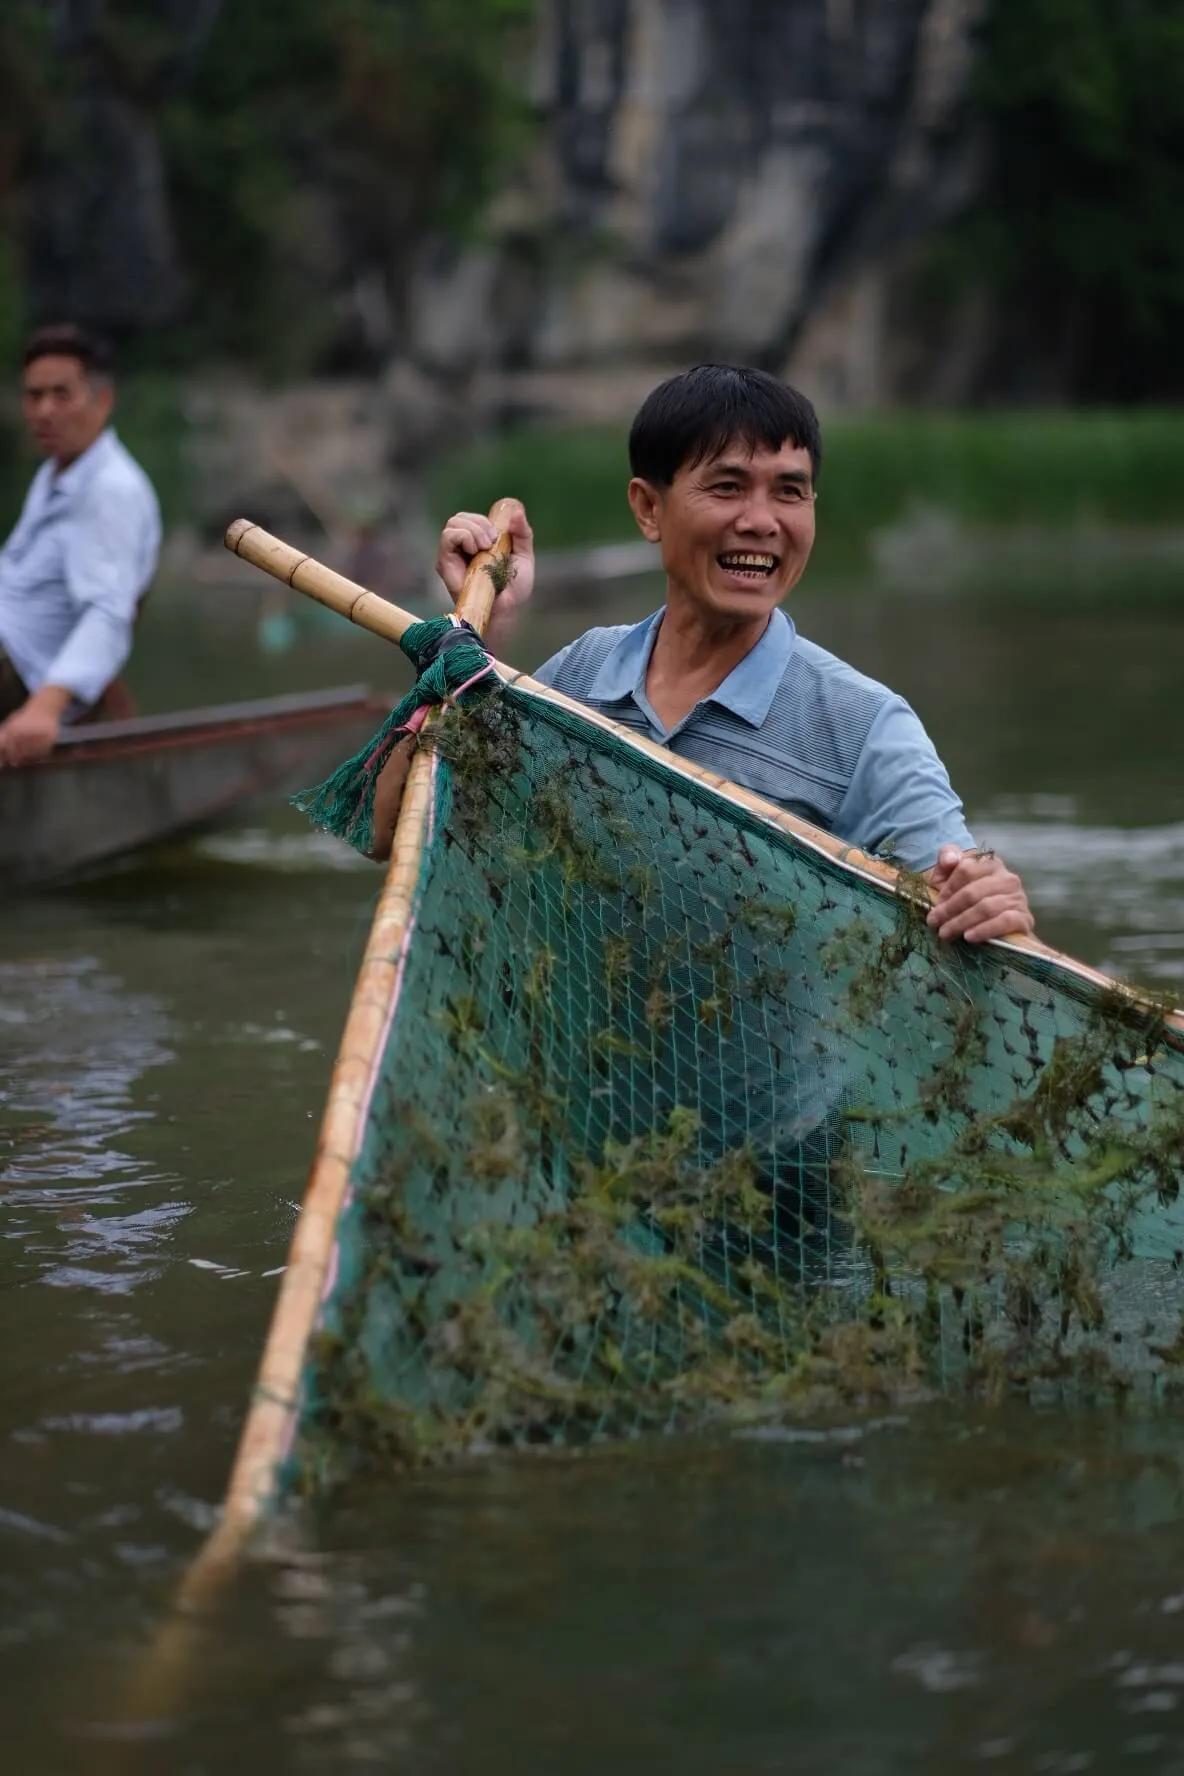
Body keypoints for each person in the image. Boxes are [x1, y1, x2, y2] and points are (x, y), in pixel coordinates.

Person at [426, 364, 1033, 946]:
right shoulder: (579, 676)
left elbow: (969, 910)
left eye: (789, 492)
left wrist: (988, 903)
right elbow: (422, 828)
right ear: (648, 508)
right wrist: (489, 629)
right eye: (727, 487)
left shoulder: (866, 728)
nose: (761, 521)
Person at [0, 324, 161, 767]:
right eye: (34, 396)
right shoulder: (57, 473)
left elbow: (108, 611)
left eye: (61, 394)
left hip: (23, 675)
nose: (44, 411)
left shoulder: (111, 490)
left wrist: (45, 708)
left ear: (102, 400)